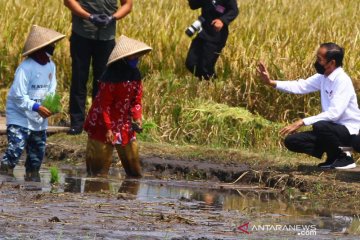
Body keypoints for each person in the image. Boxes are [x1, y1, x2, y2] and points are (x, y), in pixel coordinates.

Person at [257, 42, 360, 169]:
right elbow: (300, 86)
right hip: (331, 131)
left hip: (349, 130)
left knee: (320, 125)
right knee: (292, 141)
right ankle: (333, 156)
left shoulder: (342, 80)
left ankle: (345, 157)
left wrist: (302, 122)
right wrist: (271, 82)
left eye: (319, 59)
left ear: (332, 63)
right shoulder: (323, 77)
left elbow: (334, 114)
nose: (316, 62)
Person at [0, 25, 65, 181]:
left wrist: (51, 105)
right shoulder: (25, 68)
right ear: (39, 49)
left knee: (36, 156)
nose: (53, 49)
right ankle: (4, 178)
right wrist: (36, 106)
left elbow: (51, 89)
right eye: (50, 46)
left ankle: (32, 186)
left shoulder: (51, 66)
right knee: (15, 150)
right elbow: (17, 96)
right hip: (20, 116)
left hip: (38, 118)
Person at [83, 35, 152, 177]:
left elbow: (136, 101)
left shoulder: (135, 75)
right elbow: (105, 106)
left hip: (123, 122)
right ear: (124, 59)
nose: (136, 59)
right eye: (133, 57)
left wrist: (137, 117)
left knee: (134, 169)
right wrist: (108, 129)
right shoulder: (110, 78)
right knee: (98, 171)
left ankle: (130, 195)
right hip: (103, 122)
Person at [64, 0, 133, 135]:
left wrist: (112, 17)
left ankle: (99, 122)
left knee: (103, 82)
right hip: (82, 33)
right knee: (79, 78)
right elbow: (68, 1)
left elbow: (128, 5)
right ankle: (77, 123)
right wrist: (89, 16)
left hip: (106, 37)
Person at [185, 0, 239, 80]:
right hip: (202, 34)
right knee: (190, 63)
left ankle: (213, 85)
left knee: (206, 67)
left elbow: (234, 10)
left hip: (216, 37)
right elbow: (194, 5)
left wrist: (222, 20)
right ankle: (205, 81)